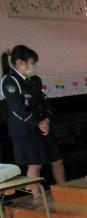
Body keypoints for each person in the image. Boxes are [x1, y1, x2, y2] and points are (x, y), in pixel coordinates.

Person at [1, 45, 65, 207]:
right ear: (19, 63)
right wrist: (38, 123)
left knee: (57, 160)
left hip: (44, 127)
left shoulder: (35, 80)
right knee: (35, 164)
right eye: (30, 63)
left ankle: (64, 190)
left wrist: (47, 120)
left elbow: (45, 103)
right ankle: (37, 198)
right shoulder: (10, 81)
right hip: (25, 130)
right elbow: (18, 109)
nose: (33, 67)